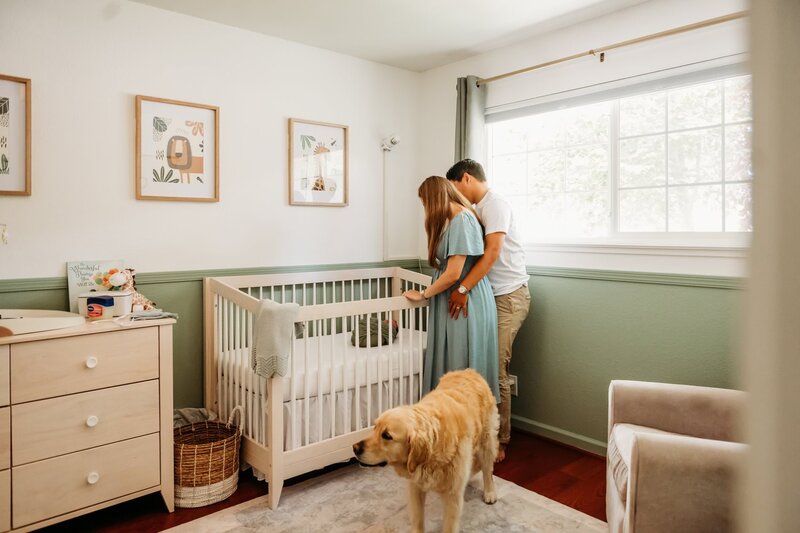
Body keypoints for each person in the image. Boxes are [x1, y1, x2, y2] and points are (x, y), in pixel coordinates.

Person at [446, 159, 531, 462]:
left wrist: (463, 288)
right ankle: (476, 431)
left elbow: (493, 252)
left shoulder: (496, 205)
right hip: (489, 297)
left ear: (465, 178)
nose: (454, 196)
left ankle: (500, 439)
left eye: (454, 188)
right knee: (480, 365)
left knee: (497, 369)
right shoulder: (475, 211)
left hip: (509, 297)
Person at [403, 176, 499, 402]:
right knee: (453, 359)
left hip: (463, 298)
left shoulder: (462, 220)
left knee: (459, 359)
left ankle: (461, 422)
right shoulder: (458, 219)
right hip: (454, 295)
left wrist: (424, 294)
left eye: (425, 202)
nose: (426, 208)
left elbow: (454, 273)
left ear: (434, 198)